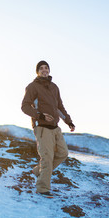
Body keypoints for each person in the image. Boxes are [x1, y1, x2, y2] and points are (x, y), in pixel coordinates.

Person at [21, 60, 75, 197]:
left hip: (55, 127)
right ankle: (42, 188)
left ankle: (38, 171)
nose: (44, 70)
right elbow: (25, 106)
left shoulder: (54, 87)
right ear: (37, 71)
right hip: (42, 127)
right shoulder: (32, 87)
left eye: (46, 68)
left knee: (63, 153)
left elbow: (60, 107)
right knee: (47, 158)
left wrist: (68, 121)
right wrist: (40, 116)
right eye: (41, 68)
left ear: (49, 70)